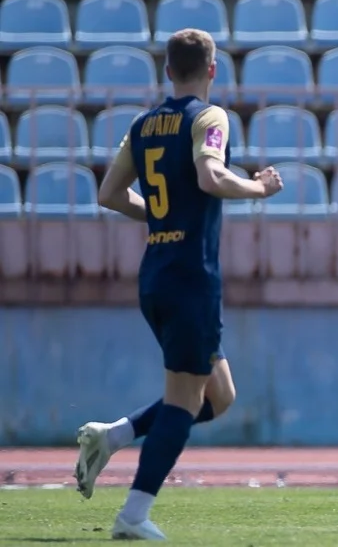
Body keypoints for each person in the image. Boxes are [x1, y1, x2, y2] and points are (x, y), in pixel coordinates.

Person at [74, 29, 284, 540]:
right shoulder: (210, 117)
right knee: (185, 402)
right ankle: (132, 515)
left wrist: (162, 218)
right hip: (191, 278)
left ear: (167, 70)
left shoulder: (143, 125)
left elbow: (108, 193)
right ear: (212, 69)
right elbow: (211, 176)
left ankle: (114, 435)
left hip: (156, 273)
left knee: (220, 395)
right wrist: (258, 187)